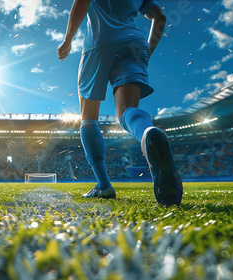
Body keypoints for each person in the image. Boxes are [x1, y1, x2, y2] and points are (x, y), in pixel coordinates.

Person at [57, 0, 183, 206]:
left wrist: (68, 40)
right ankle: (147, 132)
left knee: (88, 118)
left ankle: (104, 185)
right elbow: (160, 17)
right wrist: (147, 50)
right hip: (135, 43)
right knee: (127, 111)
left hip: (99, 43)